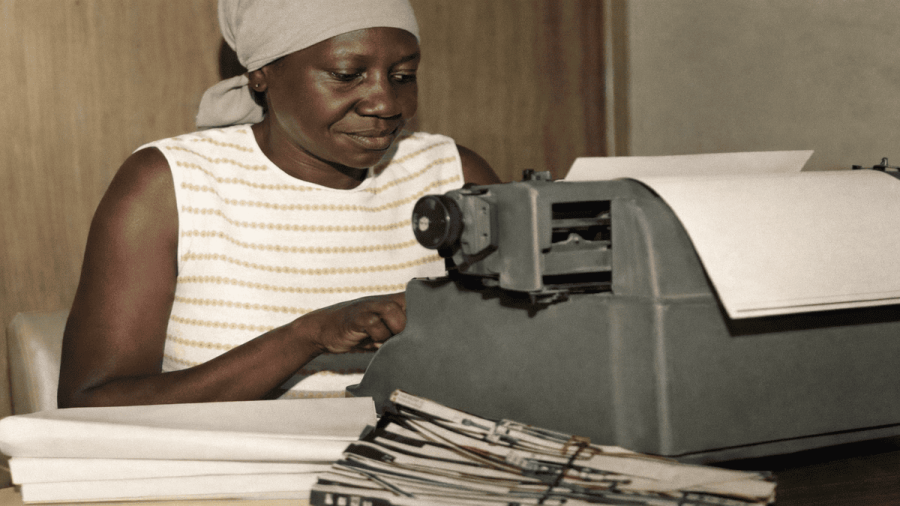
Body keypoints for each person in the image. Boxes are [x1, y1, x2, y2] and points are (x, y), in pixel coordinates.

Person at [57, 0, 500, 408]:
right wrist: (307, 337)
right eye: (347, 75)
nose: (386, 103)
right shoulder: (171, 185)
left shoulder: (454, 178)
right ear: (262, 74)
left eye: (403, 76)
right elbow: (90, 404)